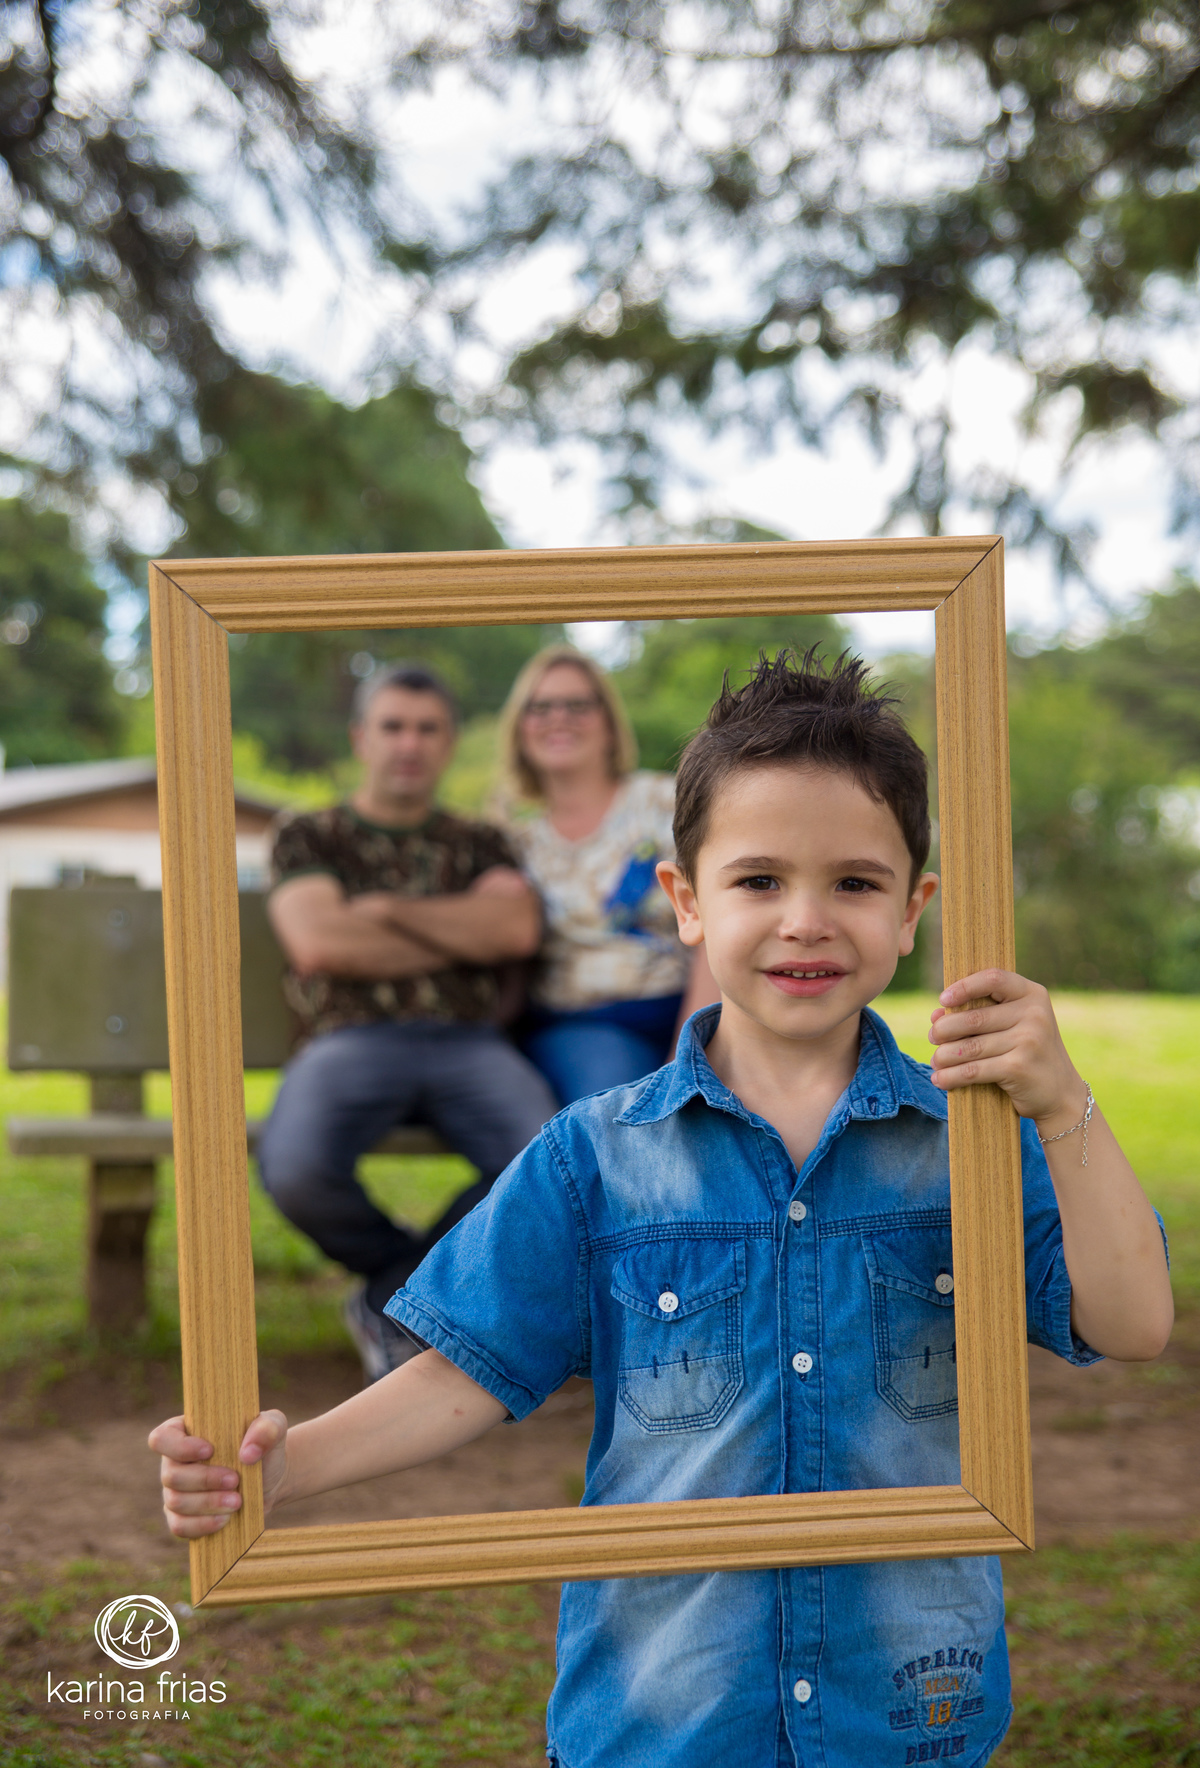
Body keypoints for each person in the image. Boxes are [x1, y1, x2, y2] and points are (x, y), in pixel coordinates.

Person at [153, 651, 1172, 1768]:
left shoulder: (969, 1142)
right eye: (759, 881)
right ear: (685, 902)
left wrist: (1061, 1099)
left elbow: (1130, 1322)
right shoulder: (594, 1155)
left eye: (856, 884)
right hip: (662, 1722)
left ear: (914, 910)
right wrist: (281, 1464)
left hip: (905, 1718)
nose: (807, 921)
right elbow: (463, 1373)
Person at [256, 660, 557, 1384]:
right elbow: (320, 942)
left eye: (428, 729)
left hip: (469, 1044)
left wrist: (384, 911)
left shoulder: (482, 841)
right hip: (348, 1044)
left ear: (450, 742)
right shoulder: (311, 834)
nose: (409, 744)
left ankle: (395, 1298)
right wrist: (456, 929)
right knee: (293, 1167)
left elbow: (513, 931)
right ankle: (401, 1284)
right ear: (362, 737)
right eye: (393, 726)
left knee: (543, 1164)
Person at [496, 644, 718, 1104]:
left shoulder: (663, 803)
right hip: (581, 1024)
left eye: (578, 704)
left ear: (609, 724)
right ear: (520, 729)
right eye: (540, 707)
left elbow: (718, 920)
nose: (560, 718)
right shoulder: (513, 842)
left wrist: (690, 1051)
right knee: (615, 1102)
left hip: (686, 1006)